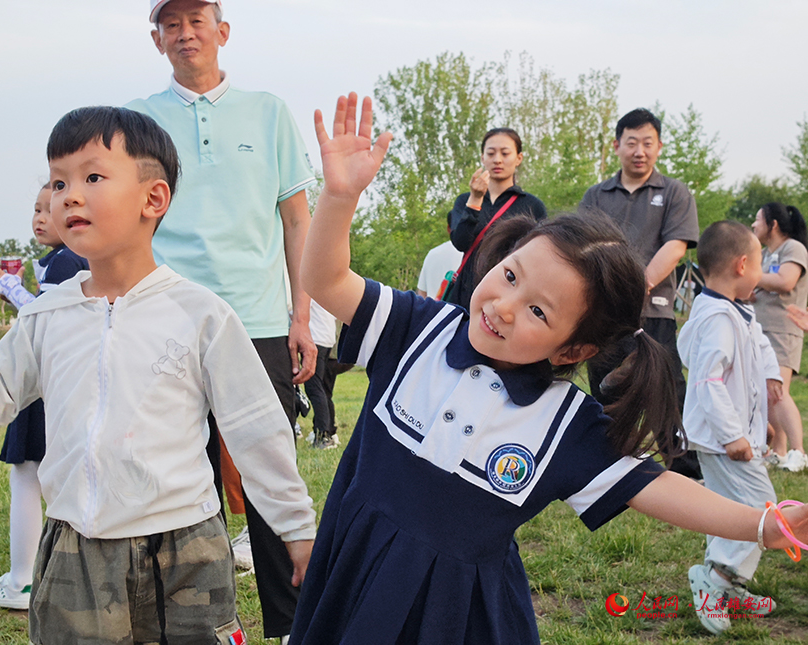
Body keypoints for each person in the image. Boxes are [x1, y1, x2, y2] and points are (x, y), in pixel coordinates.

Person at [287, 92, 808, 645]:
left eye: (539, 311)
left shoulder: (562, 423)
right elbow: (325, 280)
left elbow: (656, 490)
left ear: (572, 351)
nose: (503, 306)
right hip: (355, 567)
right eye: (511, 276)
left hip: (453, 614)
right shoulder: (418, 328)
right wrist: (339, 198)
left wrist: (759, 524)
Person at [0, 106, 315, 644]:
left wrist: (296, 528)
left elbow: (256, 427)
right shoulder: (45, 315)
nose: (68, 195)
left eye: (92, 176)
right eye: (58, 181)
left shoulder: (201, 314)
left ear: (153, 198)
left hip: (186, 548)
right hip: (75, 549)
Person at [126, 3, 317, 637]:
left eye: (197, 20)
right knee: (178, 478)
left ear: (221, 31)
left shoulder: (268, 112)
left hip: (258, 319)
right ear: (157, 39)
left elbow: (296, 220)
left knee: (269, 472)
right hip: (167, 317)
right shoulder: (138, 121)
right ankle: (198, 625)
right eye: (171, 23)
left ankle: (288, 624)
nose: (185, 33)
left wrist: (302, 314)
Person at [0, 184, 88, 611]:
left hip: (39, 386)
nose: (40, 217)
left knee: (25, 475)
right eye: (36, 209)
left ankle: (22, 580)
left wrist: (14, 291)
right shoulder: (65, 261)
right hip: (56, 386)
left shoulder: (66, 261)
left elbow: (48, 319)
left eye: (48, 207)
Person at [580, 107, 701, 480]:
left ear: (659, 147)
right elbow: (584, 246)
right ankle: (610, 463)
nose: (639, 151)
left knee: (666, 383)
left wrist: (638, 285)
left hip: (656, 309)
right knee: (604, 383)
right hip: (605, 309)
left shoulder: (674, 192)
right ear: (617, 146)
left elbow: (676, 246)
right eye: (631, 142)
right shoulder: (597, 194)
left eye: (647, 143)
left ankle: (682, 464)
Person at [678, 221, 783, 635]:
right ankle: (715, 581)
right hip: (724, 441)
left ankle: (730, 585)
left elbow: (755, 357)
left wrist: (759, 424)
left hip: (734, 437)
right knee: (762, 510)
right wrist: (733, 436)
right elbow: (707, 380)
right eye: (760, 263)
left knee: (729, 511)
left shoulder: (734, 311)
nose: (761, 272)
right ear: (743, 265)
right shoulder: (718, 317)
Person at [445, 127, 546, 309]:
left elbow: (538, 258)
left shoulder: (532, 206)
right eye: (490, 153)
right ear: (483, 158)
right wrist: (475, 199)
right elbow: (460, 242)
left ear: (518, 158)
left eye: (505, 153)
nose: (497, 159)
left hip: (506, 298)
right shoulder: (464, 201)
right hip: (464, 295)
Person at [751, 202, 808, 473]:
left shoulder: (792, 248)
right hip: (760, 330)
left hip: (783, 329)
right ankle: (780, 452)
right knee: (767, 393)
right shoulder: (762, 254)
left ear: (773, 225)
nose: (753, 225)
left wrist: (752, 277)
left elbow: (785, 281)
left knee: (778, 391)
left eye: (758, 220)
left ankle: (799, 451)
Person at [304, 300, 340, 449]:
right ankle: (329, 432)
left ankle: (322, 435)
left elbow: (297, 309)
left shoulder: (309, 286)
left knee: (314, 388)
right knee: (323, 390)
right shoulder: (323, 285)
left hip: (316, 338)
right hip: (326, 338)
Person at [417, 212, 463, 299]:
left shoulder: (432, 254)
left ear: (448, 228)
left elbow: (422, 294)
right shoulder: (474, 255)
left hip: (433, 311)